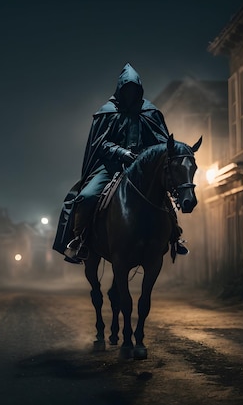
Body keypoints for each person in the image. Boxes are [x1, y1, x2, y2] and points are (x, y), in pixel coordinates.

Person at [52, 63, 188, 263]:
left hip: (142, 170)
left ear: (139, 89)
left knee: (165, 199)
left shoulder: (150, 112)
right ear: (121, 88)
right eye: (127, 89)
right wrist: (121, 152)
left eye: (134, 89)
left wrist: (147, 156)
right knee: (86, 197)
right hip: (111, 167)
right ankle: (79, 241)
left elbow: (161, 143)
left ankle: (176, 237)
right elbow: (99, 143)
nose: (131, 93)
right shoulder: (107, 112)